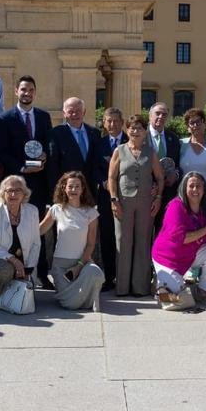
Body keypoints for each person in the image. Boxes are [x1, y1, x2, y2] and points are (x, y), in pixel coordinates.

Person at [0, 76, 53, 283]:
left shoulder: (44, 117)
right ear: (16, 91)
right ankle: (15, 273)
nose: (27, 93)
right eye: (23, 90)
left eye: (30, 90)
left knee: (38, 229)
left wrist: (45, 156)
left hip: (38, 183)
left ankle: (41, 274)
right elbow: (2, 151)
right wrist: (21, 167)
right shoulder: (5, 119)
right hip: (15, 183)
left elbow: (48, 145)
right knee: (14, 228)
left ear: (35, 92)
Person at [151, 170, 206, 310]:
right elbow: (182, 238)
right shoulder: (175, 206)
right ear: (184, 188)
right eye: (191, 186)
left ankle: (202, 290)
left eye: (199, 186)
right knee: (184, 300)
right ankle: (159, 292)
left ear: (204, 189)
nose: (195, 190)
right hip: (168, 258)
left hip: (191, 254)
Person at [108, 115, 164, 296]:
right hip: (123, 202)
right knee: (123, 242)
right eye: (132, 128)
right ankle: (122, 287)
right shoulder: (120, 150)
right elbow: (112, 177)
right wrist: (114, 199)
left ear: (145, 131)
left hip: (146, 203)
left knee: (143, 242)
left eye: (139, 128)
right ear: (127, 130)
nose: (135, 131)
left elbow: (160, 177)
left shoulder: (151, 151)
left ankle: (140, 287)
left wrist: (158, 197)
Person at [38, 171, 105, 311]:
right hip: (61, 267)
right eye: (70, 186)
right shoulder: (56, 209)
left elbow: (91, 244)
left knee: (96, 273)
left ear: (82, 189)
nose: (73, 190)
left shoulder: (91, 213)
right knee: (70, 305)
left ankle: (86, 297)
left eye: (77, 186)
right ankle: (88, 299)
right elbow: (39, 231)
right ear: (64, 188)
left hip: (83, 263)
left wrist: (79, 266)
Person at [0, 175, 42, 310]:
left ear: (24, 193)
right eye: (9, 191)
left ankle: (12, 290)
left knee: (26, 298)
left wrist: (28, 268)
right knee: (4, 270)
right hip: (0, 259)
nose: (13, 194)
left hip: (24, 260)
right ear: (2, 194)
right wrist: (15, 261)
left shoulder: (32, 211)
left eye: (17, 190)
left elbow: (36, 243)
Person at [47, 97, 104, 200]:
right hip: (67, 192)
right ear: (64, 113)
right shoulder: (56, 133)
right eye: (70, 111)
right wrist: (55, 193)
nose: (74, 114)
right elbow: (52, 166)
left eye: (78, 111)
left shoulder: (94, 133)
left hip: (90, 192)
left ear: (84, 112)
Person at [95, 107, 126, 289]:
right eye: (109, 121)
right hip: (105, 198)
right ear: (104, 124)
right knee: (107, 237)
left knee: (125, 238)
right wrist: (103, 181)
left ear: (122, 123)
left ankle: (124, 276)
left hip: (128, 197)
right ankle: (109, 277)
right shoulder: (99, 144)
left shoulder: (131, 141)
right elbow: (94, 169)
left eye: (116, 121)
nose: (113, 124)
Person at [147, 102, 182, 231]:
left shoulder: (173, 138)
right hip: (146, 193)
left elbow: (178, 163)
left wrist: (175, 175)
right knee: (143, 235)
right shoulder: (140, 136)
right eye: (157, 113)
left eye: (164, 114)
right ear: (150, 115)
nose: (161, 117)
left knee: (164, 231)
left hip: (168, 194)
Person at [180, 108, 206, 199]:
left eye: (198, 121)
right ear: (188, 127)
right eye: (192, 123)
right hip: (185, 199)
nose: (195, 125)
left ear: (204, 123)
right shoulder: (181, 144)